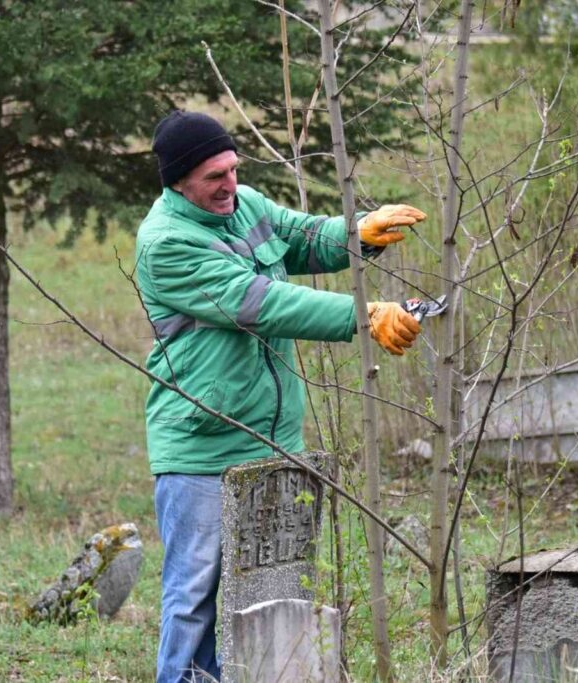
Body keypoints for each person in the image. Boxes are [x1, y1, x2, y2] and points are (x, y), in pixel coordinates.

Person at [136, 110, 425, 683]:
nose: (229, 185)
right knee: (194, 595)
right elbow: (258, 302)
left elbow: (302, 237)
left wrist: (358, 231)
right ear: (177, 181)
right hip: (201, 444)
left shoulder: (245, 205)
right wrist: (362, 315)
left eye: (232, 170)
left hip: (272, 437)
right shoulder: (165, 244)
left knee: (273, 588)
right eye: (213, 176)